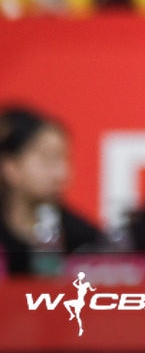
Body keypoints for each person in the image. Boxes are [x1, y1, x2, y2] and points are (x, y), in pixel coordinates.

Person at [0, 107, 104, 277]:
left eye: (65, 159)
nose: (61, 173)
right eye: (47, 159)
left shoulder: (83, 239)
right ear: (10, 167)